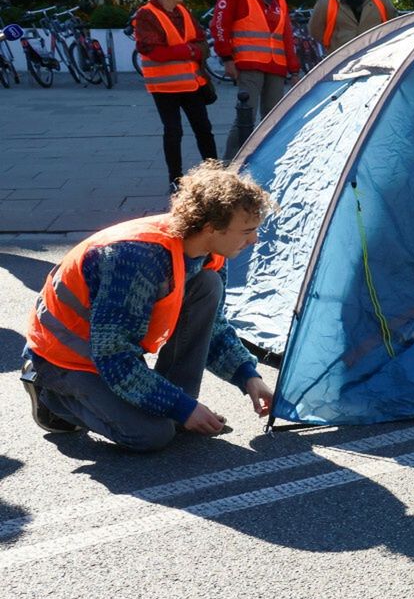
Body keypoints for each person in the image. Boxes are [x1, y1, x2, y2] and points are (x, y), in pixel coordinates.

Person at [20, 163, 275, 452]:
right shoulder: (135, 259)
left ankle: (174, 410)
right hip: (62, 357)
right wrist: (181, 407)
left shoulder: (210, 252)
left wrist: (249, 377)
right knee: (150, 435)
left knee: (208, 285)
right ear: (210, 228)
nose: (254, 239)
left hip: (108, 350)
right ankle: (51, 397)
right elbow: (114, 357)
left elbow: (214, 329)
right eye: (247, 230)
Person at [131, 0, 217, 190]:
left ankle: (215, 174)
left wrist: (185, 49)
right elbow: (155, 52)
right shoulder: (146, 15)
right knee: (173, 131)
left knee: (203, 128)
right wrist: (190, 50)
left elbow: (203, 46)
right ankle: (175, 179)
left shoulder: (183, 12)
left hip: (192, 83)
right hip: (165, 86)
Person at [210, 0, 299, 134]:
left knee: (274, 120)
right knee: (245, 118)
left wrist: (294, 69)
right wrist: (227, 59)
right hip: (249, 65)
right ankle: (232, 162)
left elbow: (286, 36)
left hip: (276, 66)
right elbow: (219, 26)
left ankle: (267, 161)